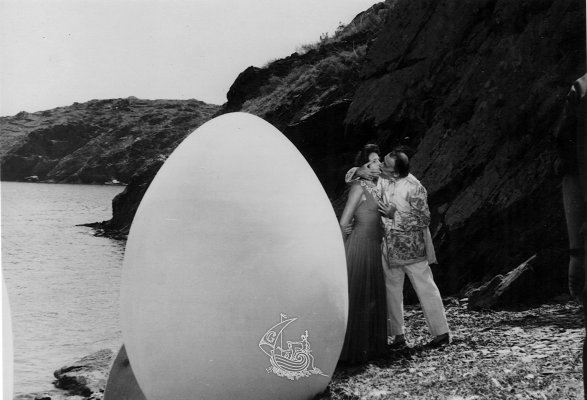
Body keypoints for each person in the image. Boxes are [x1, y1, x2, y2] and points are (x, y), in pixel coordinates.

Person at [347, 148, 450, 348]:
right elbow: (352, 178)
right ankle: (398, 335)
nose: (381, 166)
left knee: (425, 287)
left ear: (395, 172)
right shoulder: (383, 178)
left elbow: (424, 219)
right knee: (391, 290)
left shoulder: (414, 187)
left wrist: (396, 215)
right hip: (387, 245)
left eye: (385, 164)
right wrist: (359, 171)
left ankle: (442, 333)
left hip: (411, 247)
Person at [338, 144, 388, 364]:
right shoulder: (359, 187)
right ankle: (353, 349)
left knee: (370, 295)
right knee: (358, 293)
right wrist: (345, 233)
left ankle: (369, 347)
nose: (378, 164)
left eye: (378, 160)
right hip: (360, 245)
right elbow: (343, 220)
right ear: (363, 165)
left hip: (372, 245)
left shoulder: (376, 185)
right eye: (373, 161)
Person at [555, 73, 587, 396]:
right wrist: (576, 252)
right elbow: (570, 173)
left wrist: (576, 253)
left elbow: (569, 175)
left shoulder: (581, 88)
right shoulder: (581, 90)